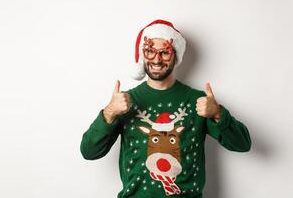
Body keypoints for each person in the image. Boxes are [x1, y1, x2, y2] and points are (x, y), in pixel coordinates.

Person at [79, 19, 252, 197]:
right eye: (150, 51)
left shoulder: (198, 101)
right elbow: (89, 152)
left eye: (164, 53)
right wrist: (109, 113)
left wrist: (217, 114)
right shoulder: (124, 102)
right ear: (142, 55)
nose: (157, 59)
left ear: (175, 55)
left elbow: (243, 144)